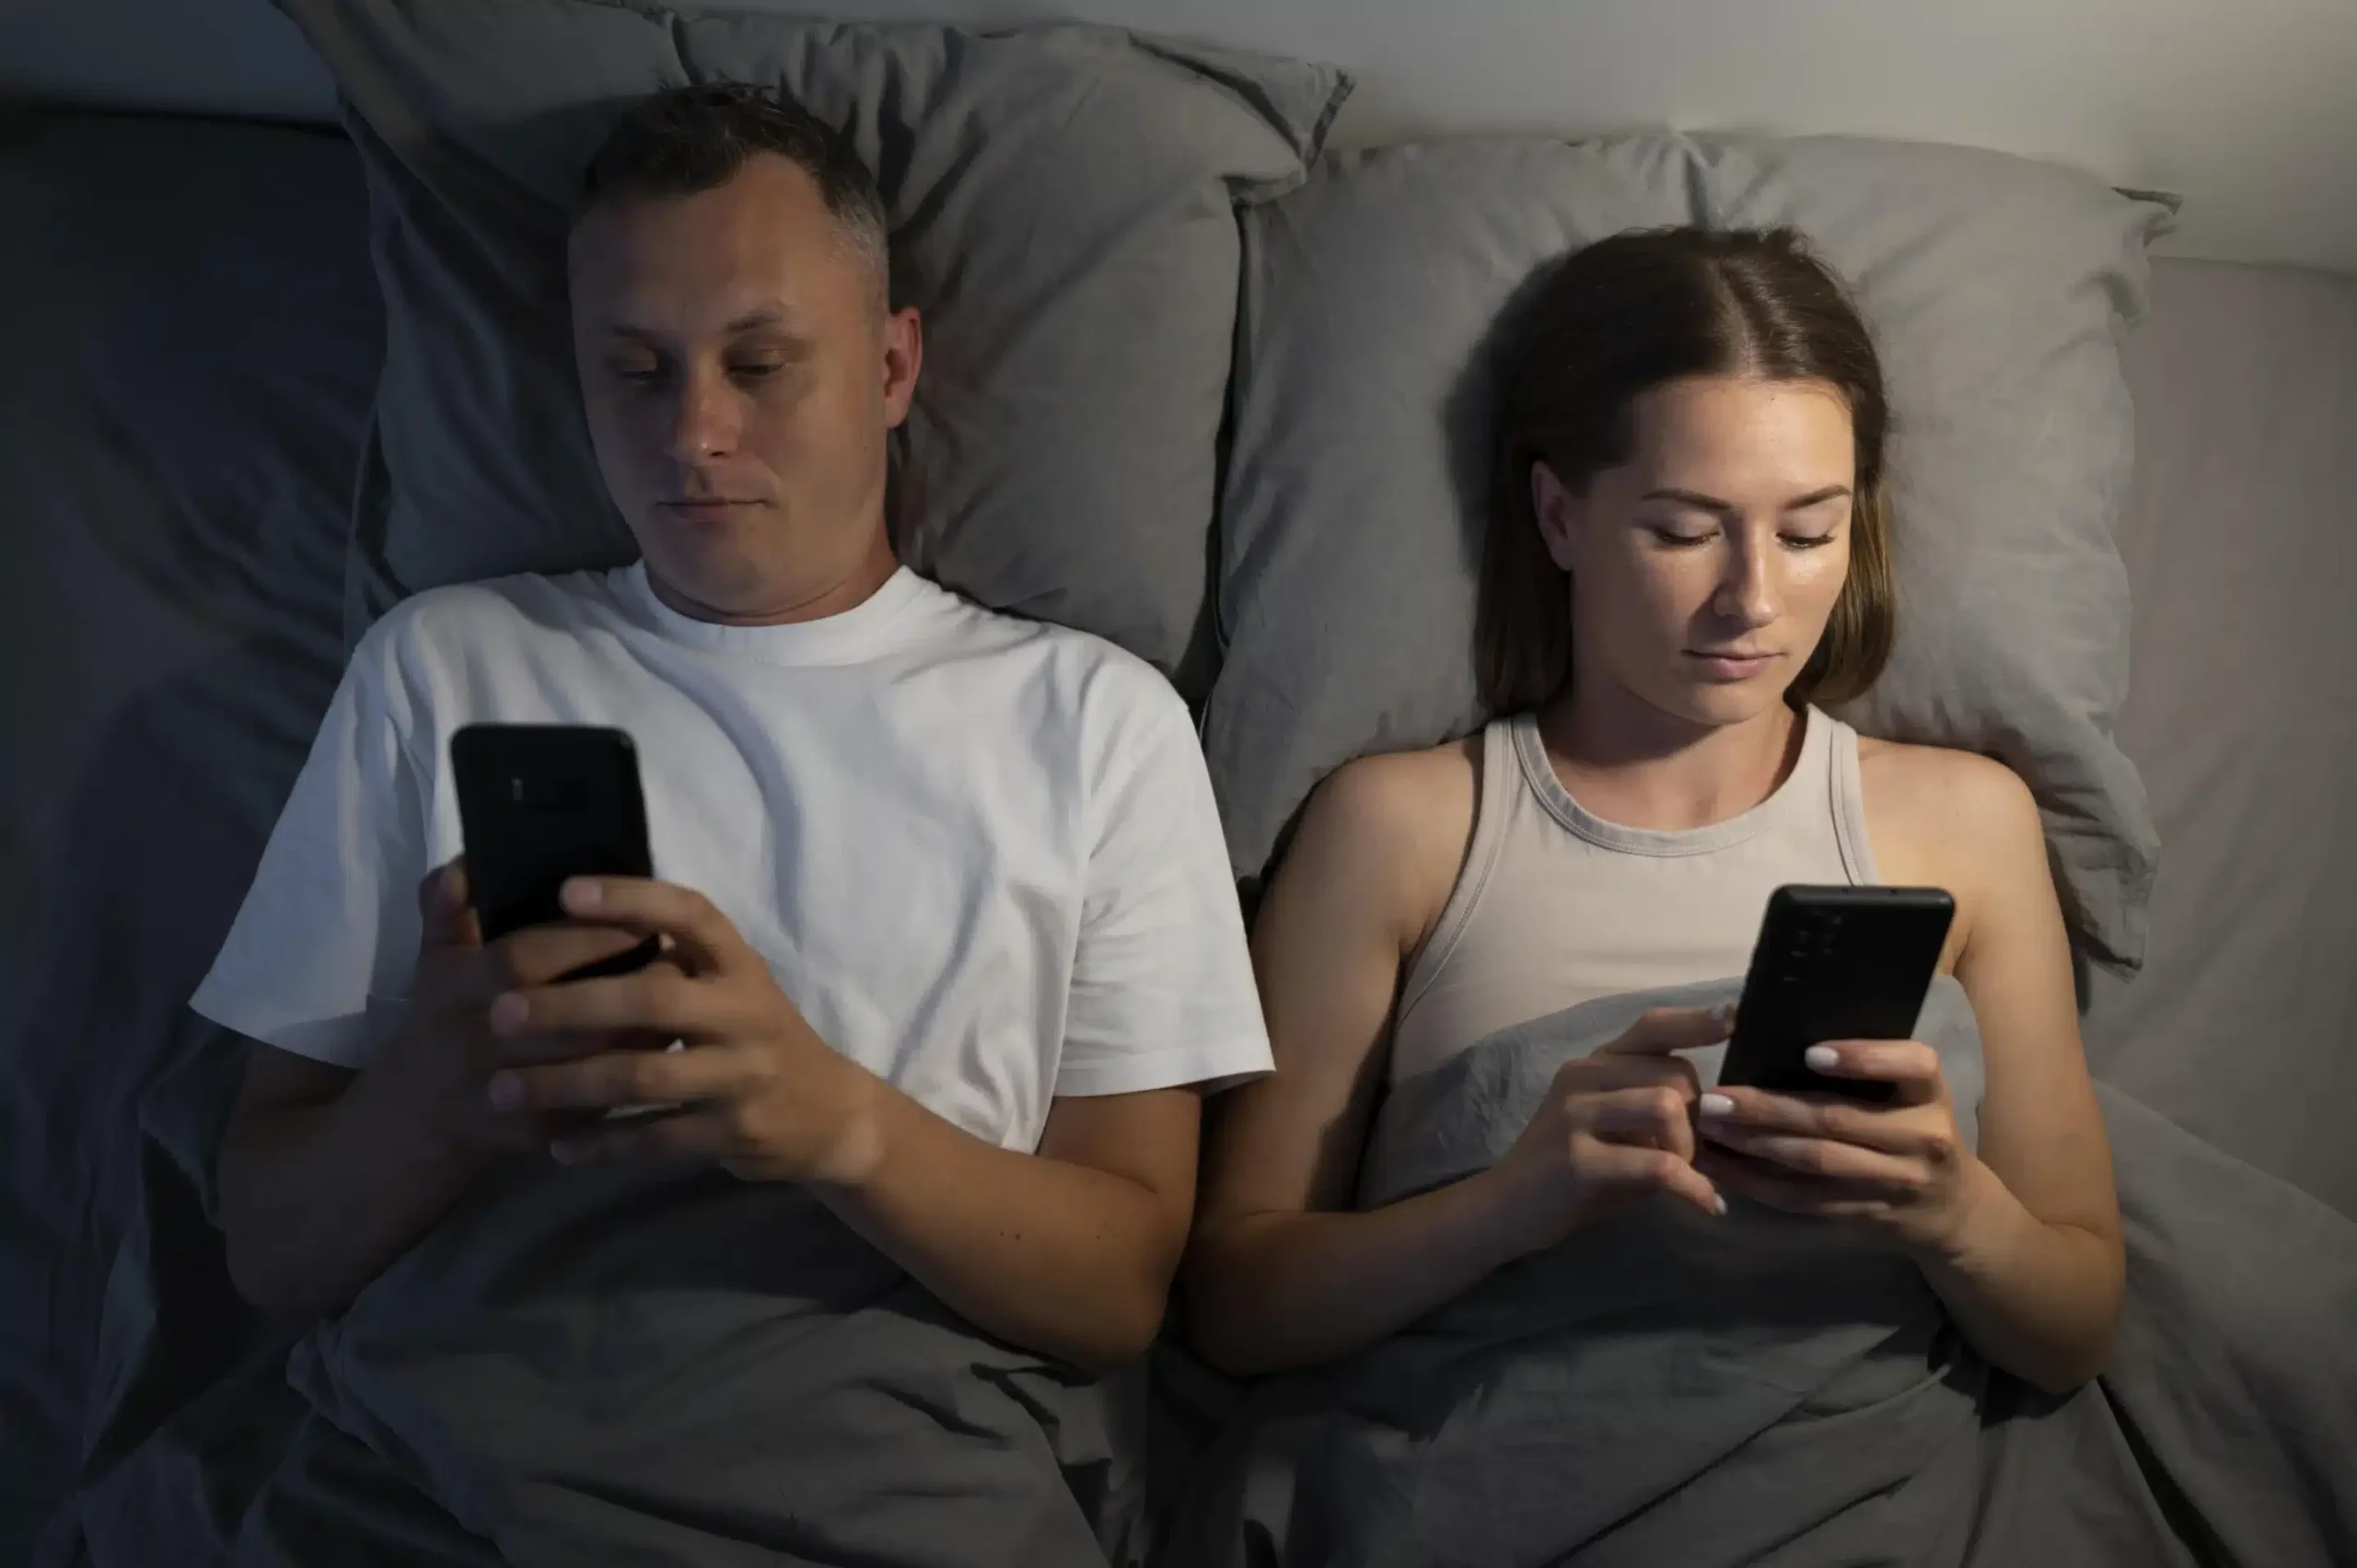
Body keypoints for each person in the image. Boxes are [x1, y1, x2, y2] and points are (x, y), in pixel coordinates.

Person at [199, 84, 1269, 1381]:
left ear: (890, 368)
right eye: (635, 372)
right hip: (466, 1417)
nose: (694, 433)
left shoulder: (1094, 722)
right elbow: (265, 1252)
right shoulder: (445, 663)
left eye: (760, 365)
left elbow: (1121, 1292)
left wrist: (834, 1123)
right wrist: (436, 1094)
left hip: (882, 1427)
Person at [1182, 226, 2123, 1398]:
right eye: (1682, 530)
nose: (1752, 598)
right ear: (1560, 516)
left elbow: (2075, 1328)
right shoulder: (1400, 829)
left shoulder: (1968, 823)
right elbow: (1230, 1301)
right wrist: (1506, 1207)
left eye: (1807, 531)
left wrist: (1954, 1211)